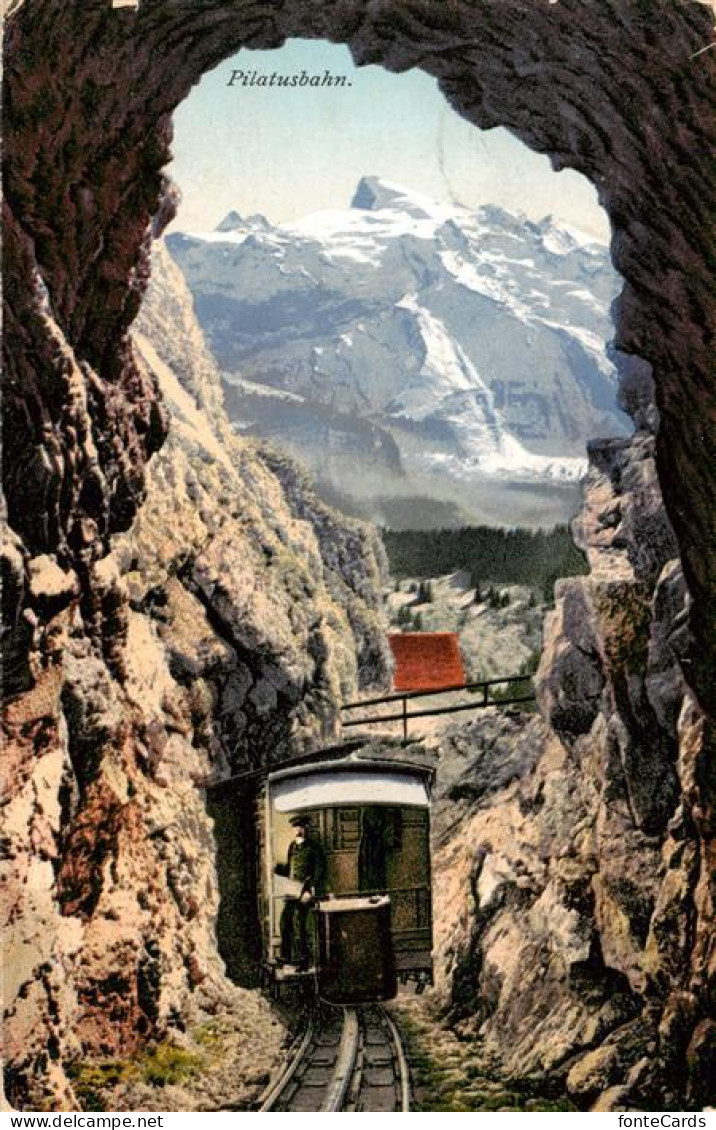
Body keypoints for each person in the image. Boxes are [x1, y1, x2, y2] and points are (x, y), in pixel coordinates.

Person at [276, 815, 325, 971]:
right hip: (291, 891)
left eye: (301, 828)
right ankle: (286, 957)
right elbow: (291, 868)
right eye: (296, 828)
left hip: (304, 892)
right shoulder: (292, 846)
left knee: (299, 925)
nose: (298, 831)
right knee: (284, 922)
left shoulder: (313, 848)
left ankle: (303, 961)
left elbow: (319, 870)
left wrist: (309, 889)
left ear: (306, 829)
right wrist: (278, 869)